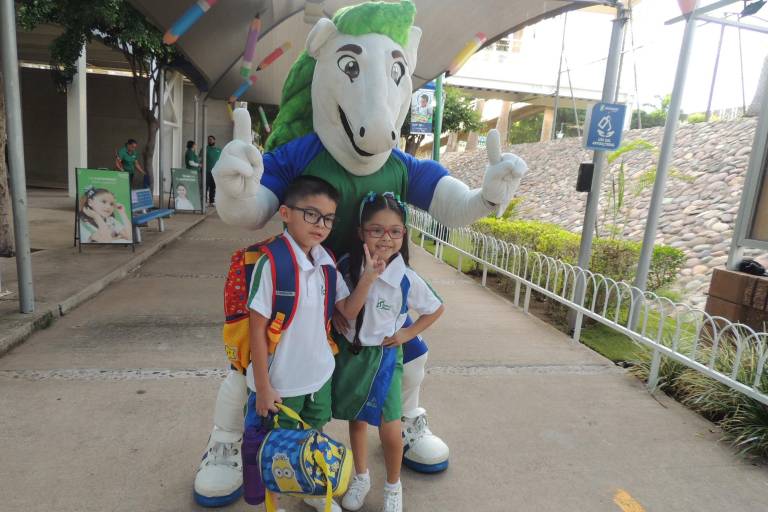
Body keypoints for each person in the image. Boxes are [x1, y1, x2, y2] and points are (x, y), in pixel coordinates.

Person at [244, 176, 383, 512]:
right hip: (280, 383)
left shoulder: (325, 262)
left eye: (328, 218)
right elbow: (256, 330)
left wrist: (368, 278)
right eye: (311, 214)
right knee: (276, 449)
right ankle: (273, 503)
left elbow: (347, 311)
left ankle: (311, 492)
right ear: (285, 213)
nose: (321, 225)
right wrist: (262, 387)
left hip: (318, 376)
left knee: (313, 437)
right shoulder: (272, 263)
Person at [334, 192, 444, 512]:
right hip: (352, 355)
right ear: (361, 232)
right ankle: (362, 477)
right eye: (376, 230)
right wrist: (367, 279)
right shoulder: (346, 267)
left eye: (395, 231)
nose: (386, 238)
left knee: (391, 429)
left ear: (404, 235)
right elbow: (345, 310)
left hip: (384, 360)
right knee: (356, 420)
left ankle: (393, 486)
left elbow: (436, 308)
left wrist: (407, 333)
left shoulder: (405, 277)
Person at [204, 135, 221, 206]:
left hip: (215, 172)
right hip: (206, 171)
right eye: (208, 140)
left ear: (214, 140)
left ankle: (212, 201)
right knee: (205, 186)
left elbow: (222, 159)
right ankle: (204, 201)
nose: (209, 141)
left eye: (211, 139)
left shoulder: (219, 150)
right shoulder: (205, 149)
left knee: (213, 186)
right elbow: (200, 159)